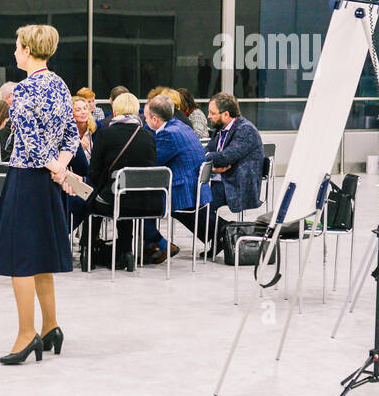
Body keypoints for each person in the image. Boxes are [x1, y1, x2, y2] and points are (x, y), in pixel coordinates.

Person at [0, 26, 78, 366]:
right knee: (42, 259)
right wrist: (61, 168)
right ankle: (51, 327)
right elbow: (71, 137)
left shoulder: (24, 90)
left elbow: (33, 146)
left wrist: (54, 166)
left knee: (19, 260)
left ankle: (27, 334)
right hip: (49, 183)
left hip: (26, 180)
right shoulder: (60, 85)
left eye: (17, 45)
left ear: (29, 49)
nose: (15, 51)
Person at [81, 91, 158, 270]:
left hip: (113, 199)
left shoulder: (106, 134)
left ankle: (87, 249)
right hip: (144, 202)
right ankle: (126, 251)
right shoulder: (148, 136)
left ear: (115, 110)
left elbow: (94, 172)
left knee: (93, 204)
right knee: (125, 200)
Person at [141, 93, 210, 263]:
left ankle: (160, 244)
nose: (144, 120)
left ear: (156, 119)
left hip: (182, 190)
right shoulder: (179, 125)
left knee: (136, 204)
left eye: (146, 117)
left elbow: (152, 162)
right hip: (194, 185)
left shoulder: (168, 134)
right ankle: (151, 246)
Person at [204, 92, 265, 248]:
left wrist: (211, 157)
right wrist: (212, 158)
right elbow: (210, 154)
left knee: (200, 202)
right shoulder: (220, 129)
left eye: (212, 113)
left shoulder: (245, 130)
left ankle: (224, 234)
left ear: (226, 114)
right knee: (190, 200)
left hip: (237, 184)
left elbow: (225, 157)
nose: (208, 116)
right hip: (219, 179)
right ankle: (222, 235)